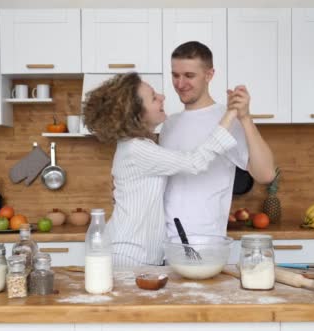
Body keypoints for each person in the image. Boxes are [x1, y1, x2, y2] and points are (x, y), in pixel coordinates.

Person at [82, 72, 240, 267]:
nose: (162, 97)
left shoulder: (137, 145)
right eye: (154, 97)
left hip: (140, 255)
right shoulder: (137, 149)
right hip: (129, 255)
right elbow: (195, 162)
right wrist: (231, 114)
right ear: (137, 114)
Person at [159, 41, 276, 238]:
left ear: (209, 75)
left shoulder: (227, 119)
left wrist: (245, 118)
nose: (180, 84)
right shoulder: (169, 124)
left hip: (205, 242)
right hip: (165, 241)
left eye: (189, 75)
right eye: (175, 75)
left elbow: (266, 175)